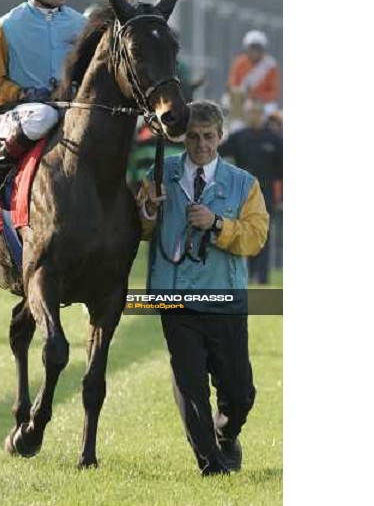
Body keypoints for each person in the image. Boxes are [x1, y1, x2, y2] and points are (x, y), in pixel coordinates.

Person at [136, 100, 269, 476]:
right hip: (176, 299)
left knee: (240, 393)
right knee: (191, 386)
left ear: (221, 137)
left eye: (208, 137)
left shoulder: (245, 184)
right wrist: (148, 209)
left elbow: (255, 239)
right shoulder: (159, 174)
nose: (200, 145)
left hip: (224, 299)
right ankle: (211, 464)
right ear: (183, 138)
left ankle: (225, 435)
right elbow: (142, 231)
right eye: (192, 137)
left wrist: (216, 225)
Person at [0, 0, 86, 200]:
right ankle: (0, 167)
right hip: (19, 113)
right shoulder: (6, 26)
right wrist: (24, 93)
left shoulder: (81, 24)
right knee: (44, 115)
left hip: (68, 107)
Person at [219, 101, 283, 284]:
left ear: (262, 114)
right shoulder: (240, 136)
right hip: (241, 195)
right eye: (251, 112)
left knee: (262, 235)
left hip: (266, 194)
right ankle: (242, 275)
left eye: (256, 112)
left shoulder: (274, 139)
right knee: (240, 234)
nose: (253, 116)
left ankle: (261, 277)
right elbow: (218, 152)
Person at [228, 29, 279, 118]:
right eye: (252, 47)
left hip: (264, 103)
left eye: (258, 48)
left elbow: (274, 92)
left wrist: (257, 98)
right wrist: (243, 96)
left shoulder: (270, 65)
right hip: (242, 101)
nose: (255, 51)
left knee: (272, 114)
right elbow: (233, 84)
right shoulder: (240, 63)